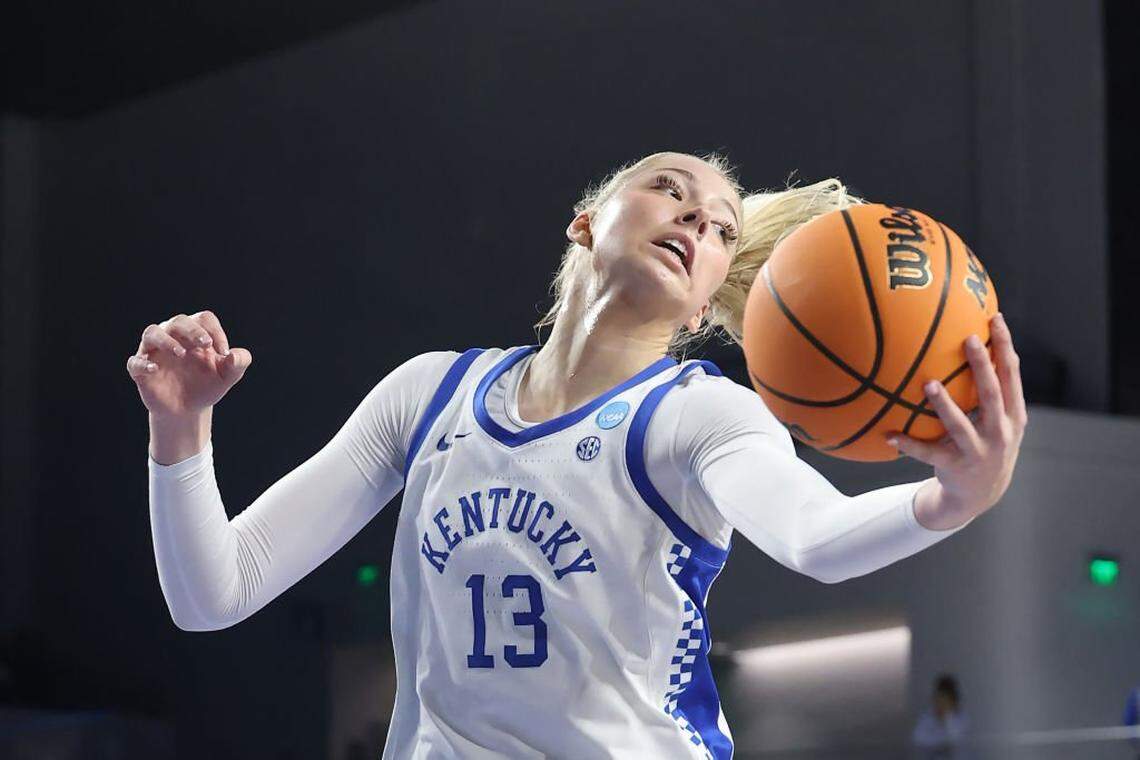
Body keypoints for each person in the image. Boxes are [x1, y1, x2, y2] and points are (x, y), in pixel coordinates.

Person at [129, 151, 1027, 758]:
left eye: (722, 228)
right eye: (672, 189)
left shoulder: (695, 415)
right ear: (587, 222)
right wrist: (180, 433)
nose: (698, 219)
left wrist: (950, 501)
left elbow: (815, 538)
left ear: (708, 300)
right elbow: (215, 593)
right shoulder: (430, 393)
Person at [912, 674, 969, 757]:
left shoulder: (962, 719)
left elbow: (955, 741)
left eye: (945, 698)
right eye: (938, 697)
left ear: (952, 700)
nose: (940, 702)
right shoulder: (927, 716)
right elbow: (917, 739)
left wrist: (947, 717)